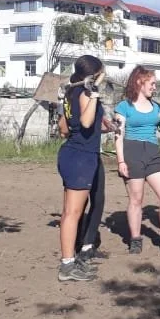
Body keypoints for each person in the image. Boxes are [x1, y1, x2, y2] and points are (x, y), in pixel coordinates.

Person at [114, 66, 160, 255]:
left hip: (152, 151)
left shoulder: (157, 106)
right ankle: (136, 240)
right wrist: (121, 161)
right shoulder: (124, 107)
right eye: (152, 83)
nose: (155, 87)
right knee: (137, 199)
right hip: (132, 151)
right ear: (140, 82)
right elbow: (118, 136)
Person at [54, 55, 106, 282]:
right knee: (72, 213)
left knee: (70, 212)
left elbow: (65, 129)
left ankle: (70, 262)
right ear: (94, 74)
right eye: (102, 72)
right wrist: (94, 94)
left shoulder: (70, 93)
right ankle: (67, 266)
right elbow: (85, 122)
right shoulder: (85, 93)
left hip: (75, 153)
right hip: (80, 158)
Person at [57, 107, 117, 268]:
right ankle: (73, 251)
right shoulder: (75, 98)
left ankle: (87, 245)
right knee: (76, 208)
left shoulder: (94, 101)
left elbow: (97, 126)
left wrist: (109, 127)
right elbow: (64, 129)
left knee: (98, 200)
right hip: (80, 156)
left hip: (94, 156)